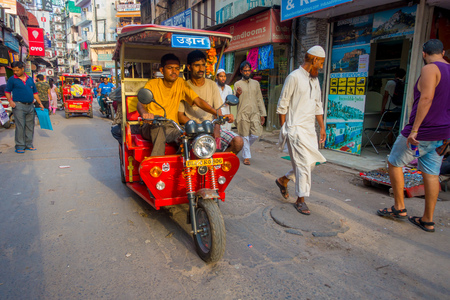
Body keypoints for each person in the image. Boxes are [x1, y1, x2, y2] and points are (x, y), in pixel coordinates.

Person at [377, 39, 450, 232]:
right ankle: (427, 219)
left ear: (424, 54)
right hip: (443, 134)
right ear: (443, 52)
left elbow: (426, 98)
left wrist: (415, 130)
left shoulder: (429, 69)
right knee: (432, 174)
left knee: (394, 162)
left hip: (422, 131)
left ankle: (399, 208)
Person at [275, 46, 327, 215]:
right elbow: (282, 106)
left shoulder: (315, 80)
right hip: (295, 128)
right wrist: (284, 129)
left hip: (309, 130)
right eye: (321, 63)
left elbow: (318, 105)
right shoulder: (294, 77)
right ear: (314, 60)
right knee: (303, 164)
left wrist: (322, 127)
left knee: (310, 164)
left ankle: (283, 180)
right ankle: (301, 200)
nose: (321, 67)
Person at [137, 53, 220, 156]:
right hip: (151, 124)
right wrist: (145, 114)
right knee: (159, 128)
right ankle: (157, 165)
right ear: (162, 70)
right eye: (170, 68)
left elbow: (198, 101)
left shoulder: (181, 83)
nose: (174, 71)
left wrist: (217, 113)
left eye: (177, 68)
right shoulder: (152, 84)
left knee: (189, 134)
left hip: (172, 126)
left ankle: (182, 163)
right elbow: (141, 103)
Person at [178, 50, 242, 153]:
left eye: (203, 65)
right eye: (197, 65)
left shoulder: (212, 85)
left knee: (238, 142)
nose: (201, 69)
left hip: (210, 126)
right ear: (189, 67)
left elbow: (218, 112)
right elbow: (180, 115)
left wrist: (216, 129)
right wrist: (196, 125)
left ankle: (219, 165)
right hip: (191, 128)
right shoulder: (184, 86)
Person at [5, 61, 44, 153]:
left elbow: (35, 93)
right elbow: (7, 91)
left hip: (30, 105)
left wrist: (40, 103)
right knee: (20, 126)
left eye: (17, 70)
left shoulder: (30, 79)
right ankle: (20, 146)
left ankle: (28, 144)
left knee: (30, 126)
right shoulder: (12, 79)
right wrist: (10, 101)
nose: (15, 72)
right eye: (14, 70)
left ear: (22, 69)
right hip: (18, 105)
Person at [234, 61, 267, 165]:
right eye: (245, 71)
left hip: (255, 113)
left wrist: (263, 114)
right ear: (241, 71)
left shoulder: (256, 83)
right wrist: (237, 94)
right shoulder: (237, 84)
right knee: (244, 135)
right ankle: (246, 157)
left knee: (256, 134)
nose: (247, 72)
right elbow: (235, 100)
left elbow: (259, 99)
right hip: (243, 113)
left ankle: (243, 146)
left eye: (248, 70)